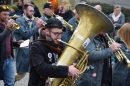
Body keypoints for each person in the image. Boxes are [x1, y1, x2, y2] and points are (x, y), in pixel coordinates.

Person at [28, 18, 80, 86]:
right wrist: (67, 69)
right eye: (56, 33)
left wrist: (71, 65)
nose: (59, 37)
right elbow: (42, 68)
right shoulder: (36, 46)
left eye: (61, 33)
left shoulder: (58, 44)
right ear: (47, 31)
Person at [13, 3, 43, 82]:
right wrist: (37, 26)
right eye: (30, 11)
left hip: (33, 47)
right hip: (23, 47)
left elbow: (36, 34)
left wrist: (42, 29)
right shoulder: (19, 21)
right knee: (21, 73)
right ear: (25, 11)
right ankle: (9, 81)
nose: (32, 13)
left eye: (33, 11)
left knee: (34, 71)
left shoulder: (33, 20)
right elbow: (26, 34)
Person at [0, 5, 22, 86]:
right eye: (4, 14)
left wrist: (17, 44)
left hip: (9, 59)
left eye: (8, 14)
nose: (7, 17)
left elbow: (7, 42)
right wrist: (8, 28)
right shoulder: (7, 27)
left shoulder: (6, 25)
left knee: (10, 84)